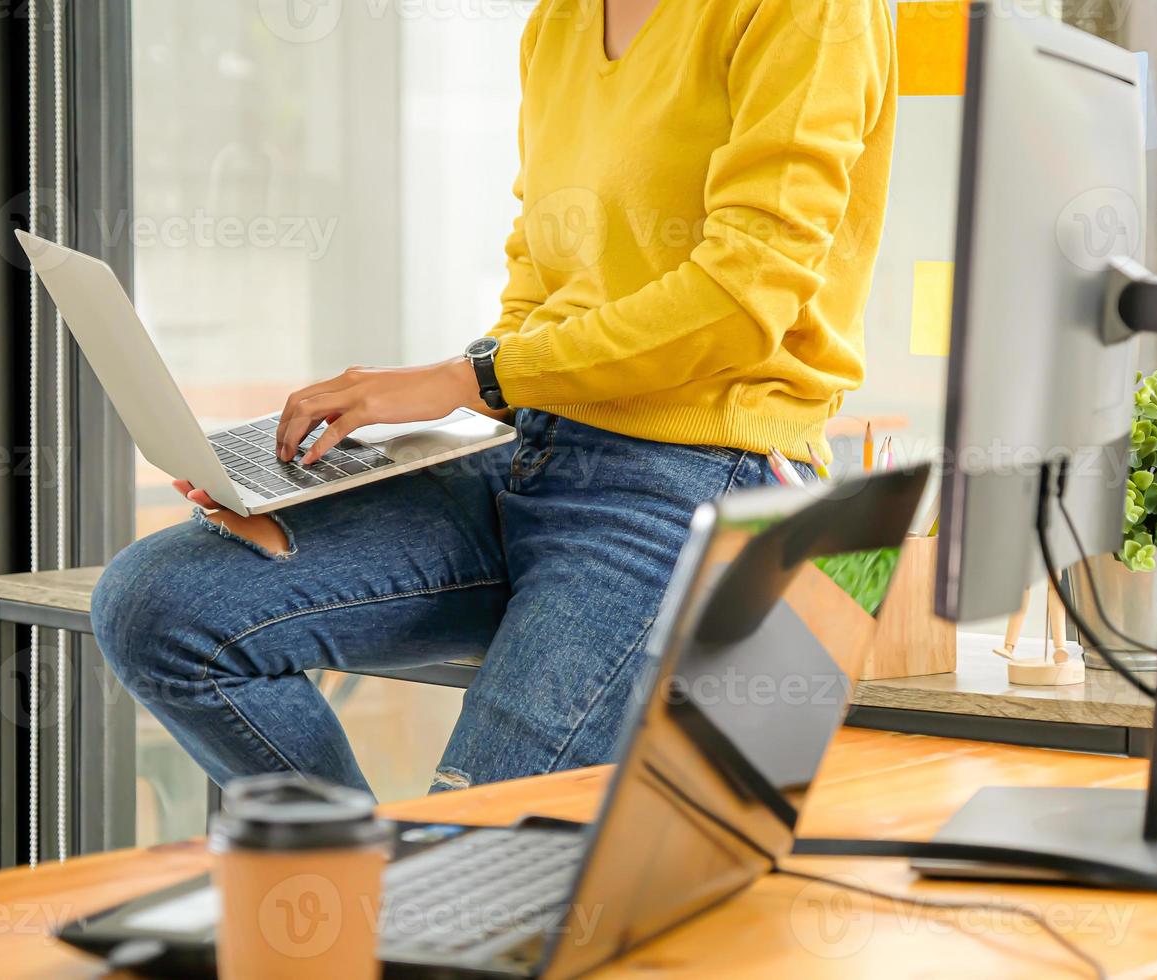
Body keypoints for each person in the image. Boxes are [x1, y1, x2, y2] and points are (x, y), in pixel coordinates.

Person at [93, 0, 898, 795]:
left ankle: (407, 910)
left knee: (465, 861)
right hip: (535, 451)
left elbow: (738, 303)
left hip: (699, 480)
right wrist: (346, 467)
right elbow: (540, 285)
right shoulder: (561, 20)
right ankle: (354, 886)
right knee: (159, 606)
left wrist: (464, 378)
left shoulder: (807, 11)